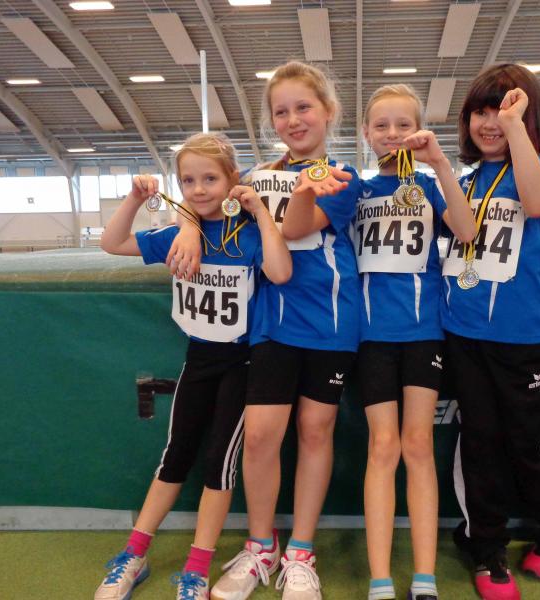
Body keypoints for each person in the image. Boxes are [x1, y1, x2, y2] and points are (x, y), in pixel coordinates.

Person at [169, 61, 361, 600]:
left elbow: (296, 228)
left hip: (328, 323)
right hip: (270, 325)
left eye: (304, 107)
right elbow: (204, 202)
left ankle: (301, 552)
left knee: (315, 431)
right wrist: (187, 225)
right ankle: (260, 547)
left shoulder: (343, 177)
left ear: (328, 112)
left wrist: (306, 189)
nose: (293, 120)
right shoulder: (252, 179)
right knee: (258, 437)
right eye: (282, 111)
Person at [95, 132, 291, 600]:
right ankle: (134, 554)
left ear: (232, 179)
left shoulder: (248, 233)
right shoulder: (179, 234)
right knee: (175, 455)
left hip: (243, 362)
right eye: (188, 181)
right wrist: (136, 199)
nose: (199, 189)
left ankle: (197, 569)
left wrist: (260, 214)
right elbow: (111, 242)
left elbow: (281, 271)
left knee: (219, 464)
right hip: (199, 360)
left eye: (210, 179)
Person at [441, 63, 540, 600]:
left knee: (524, 443)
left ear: (525, 116)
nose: (489, 122)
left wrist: (516, 127)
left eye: (501, 110)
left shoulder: (535, 166)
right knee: (477, 442)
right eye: (480, 111)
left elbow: (539, 204)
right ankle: (485, 547)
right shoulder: (465, 182)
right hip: (462, 335)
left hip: (520, 337)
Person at [355, 84, 475, 600]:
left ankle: (424, 578)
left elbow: (466, 231)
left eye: (403, 124)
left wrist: (440, 164)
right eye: (382, 125)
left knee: (418, 444)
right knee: (382, 446)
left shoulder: (428, 185)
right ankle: (380, 577)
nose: (392, 134)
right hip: (370, 338)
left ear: (419, 130)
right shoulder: (356, 190)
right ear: (366, 133)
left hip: (424, 333)